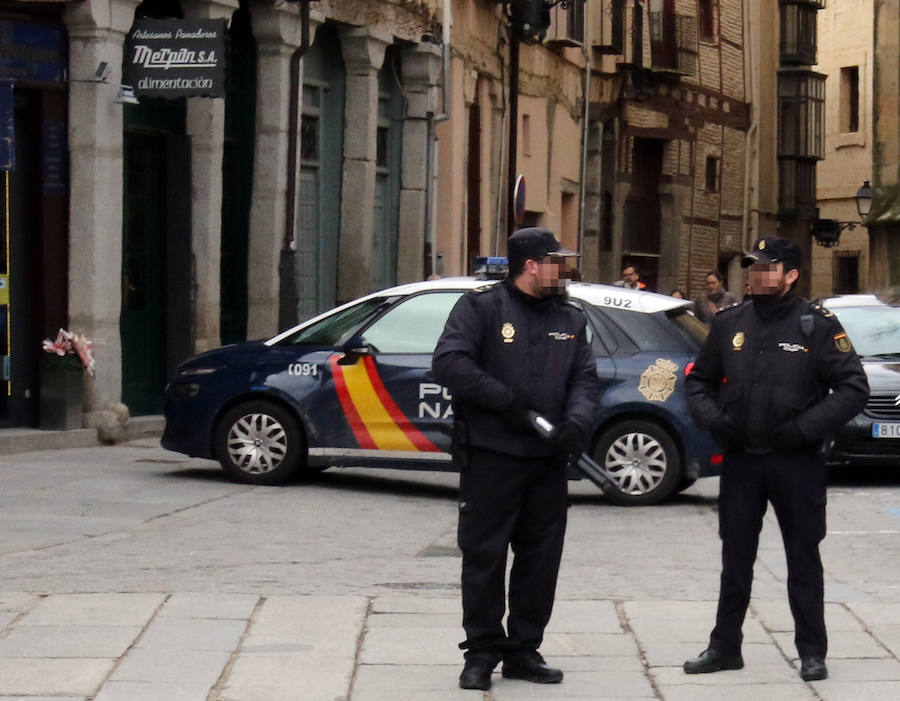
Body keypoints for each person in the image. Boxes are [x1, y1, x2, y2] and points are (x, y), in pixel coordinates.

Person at [682, 237, 869, 682]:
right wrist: (716, 421)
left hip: (795, 462)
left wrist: (805, 429)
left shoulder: (817, 324)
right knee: (736, 556)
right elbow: (698, 382)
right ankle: (724, 646)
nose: (756, 275)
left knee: (803, 557)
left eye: (767, 268)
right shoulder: (730, 322)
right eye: (752, 267)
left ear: (790, 275)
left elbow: (852, 388)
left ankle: (811, 651)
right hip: (744, 460)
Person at [432, 227, 599, 691]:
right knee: (484, 556)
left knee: (540, 559)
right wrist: (507, 403)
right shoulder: (481, 308)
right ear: (531, 265)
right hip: (492, 455)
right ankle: (482, 650)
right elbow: (449, 362)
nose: (563, 271)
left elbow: (585, 379)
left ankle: (524, 649)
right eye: (556, 262)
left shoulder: (570, 317)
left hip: (546, 460)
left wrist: (576, 425)